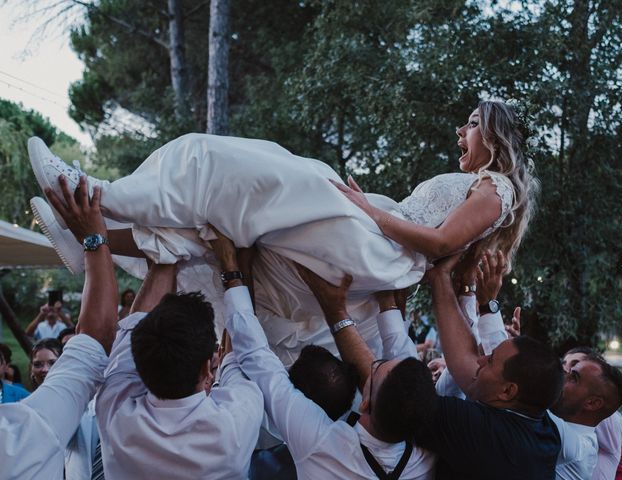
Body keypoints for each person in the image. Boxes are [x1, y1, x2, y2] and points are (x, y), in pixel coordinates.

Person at [29, 100, 538, 364]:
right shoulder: (486, 189)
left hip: (377, 246)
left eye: (471, 123)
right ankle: (88, 234)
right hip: (377, 244)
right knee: (223, 225)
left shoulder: (496, 187)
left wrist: (370, 209)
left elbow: (444, 245)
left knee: (225, 167)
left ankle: (95, 194)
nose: (460, 131)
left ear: (493, 134)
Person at [208, 227, 437, 479]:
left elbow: (259, 361)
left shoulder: (322, 445)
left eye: (373, 368)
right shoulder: (426, 457)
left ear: (364, 401)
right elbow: (404, 373)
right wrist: (388, 301)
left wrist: (232, 266)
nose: (371, 362)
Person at [94, 261, 263, 478]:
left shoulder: (114, 412)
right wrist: (233, 264)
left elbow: (238, 352)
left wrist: (167, 249)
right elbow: (240, 347)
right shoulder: (232, 427)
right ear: (206, 368)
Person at [0, 178, 118, 479]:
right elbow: (93, 344)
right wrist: (93, 239)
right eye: (38, 364)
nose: (42, 369)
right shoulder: (17, 437)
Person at [419, 253, 564, 479]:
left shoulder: (478, 431)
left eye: (490, 360)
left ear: (508, 391)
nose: (481, 359)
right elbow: (466, 361)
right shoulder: (542, 426)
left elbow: (393, 389)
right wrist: (469, 290)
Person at [557, 348, 622, 480]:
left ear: (592, 403)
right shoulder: (583, 438)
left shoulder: (571, 444)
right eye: (564, 364)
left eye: (573, 378)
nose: (564, 373)